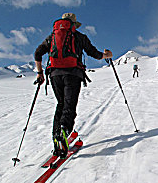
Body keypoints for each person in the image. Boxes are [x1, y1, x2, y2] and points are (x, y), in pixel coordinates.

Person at [34, 12, 112, 158]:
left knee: (60, 104)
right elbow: (93, 53)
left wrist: (40, 73)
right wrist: (106, 55)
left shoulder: (52, 37)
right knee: (69, 106)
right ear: (74, 25)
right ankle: (64, 131)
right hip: (73, 74)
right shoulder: (79, 37)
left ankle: (56, 138)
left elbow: (38, 53)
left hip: (55, 74)